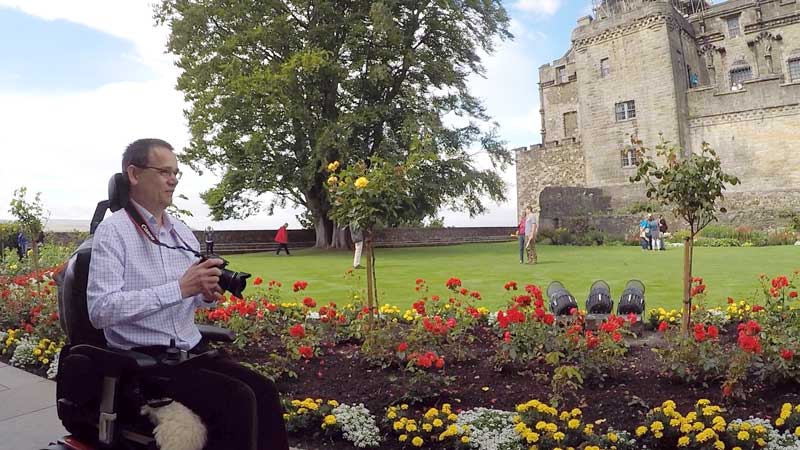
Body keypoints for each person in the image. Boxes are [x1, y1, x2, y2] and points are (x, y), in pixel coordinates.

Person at [87, 138, 289, 450]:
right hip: (144, 363)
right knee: (239, 401)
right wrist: (180, 287)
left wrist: (205, 292)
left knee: (264, 390)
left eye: (176, 173)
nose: (173, 180)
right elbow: (101, 310)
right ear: (134, 174)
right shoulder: (113, 232)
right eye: (164, 171)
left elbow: (192, 299)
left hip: (190, 352)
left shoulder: (180, 231)